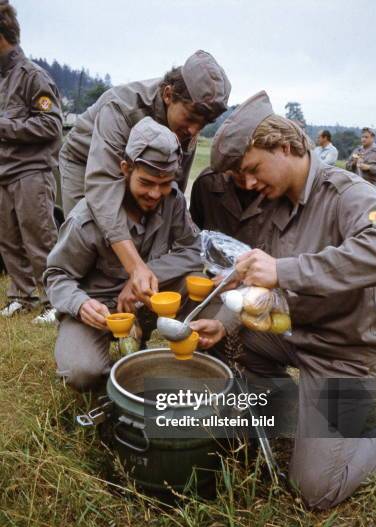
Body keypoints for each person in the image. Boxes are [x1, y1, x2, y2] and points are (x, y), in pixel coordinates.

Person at [190, 91, 376, 510]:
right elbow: (261, 291)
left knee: (315, 488)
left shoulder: (346, 192)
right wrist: (225, 324)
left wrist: (285, 271)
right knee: (228, 346)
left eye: (251, 170)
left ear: (285, 146)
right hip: (293, 334)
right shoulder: (273, 201)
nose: (247, 184)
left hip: (346, 353)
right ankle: (302, 413)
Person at [59, 50, 230, 306]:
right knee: (90, 231)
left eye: (203, 124)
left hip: (136, 171)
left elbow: (172, 191)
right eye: (191, 118)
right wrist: (135, 266)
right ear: (168, 94)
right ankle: (77, 303)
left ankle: (134, 303)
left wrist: (148, 267)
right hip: (85, 162)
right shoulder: (121, 107)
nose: (194, 130)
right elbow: (103, 188)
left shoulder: (187, 133)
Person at [44, 118, 202, 392]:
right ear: (126, 168)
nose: (156, 193)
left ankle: (201, 359)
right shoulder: (86, 219)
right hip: (98, 307)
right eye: (147, 182)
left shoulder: (172, 201)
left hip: (147, 298)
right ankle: (113, 380)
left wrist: (143, 272)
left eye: (165, 183)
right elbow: (56, 276)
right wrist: (81, 305)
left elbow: (194, 250)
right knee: (82, 372)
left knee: (198, 281)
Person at [0, 1, 62, 323]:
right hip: (4, 174)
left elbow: (51, 124)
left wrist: (4, 126)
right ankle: (21, 297)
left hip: (31, 172)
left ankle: (55, 300)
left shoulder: (32, 76)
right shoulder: (2, 77)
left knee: (40, 239)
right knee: (8, 240)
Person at [190, 167, 266, 247]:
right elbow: (193, 235)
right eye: (239, 169)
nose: (247, 180)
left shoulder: (277, 191)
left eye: (253, 170)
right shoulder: (207, 182)